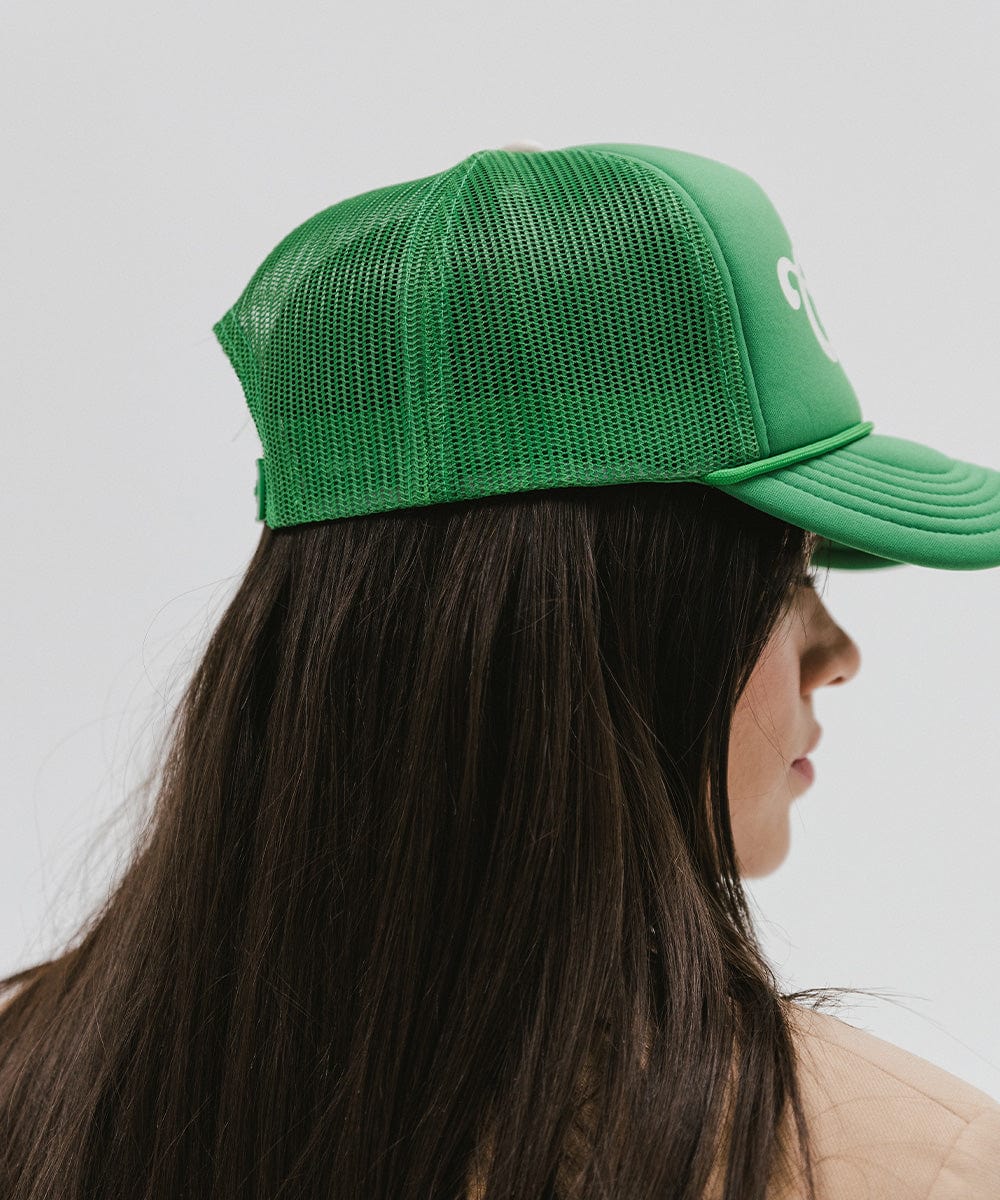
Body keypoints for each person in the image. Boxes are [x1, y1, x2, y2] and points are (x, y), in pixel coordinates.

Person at [1, 142, 998, 1200]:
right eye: (786, 575)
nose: (837, 656)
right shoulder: (908, 1165)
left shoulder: (37, 1087)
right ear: (590, 636)